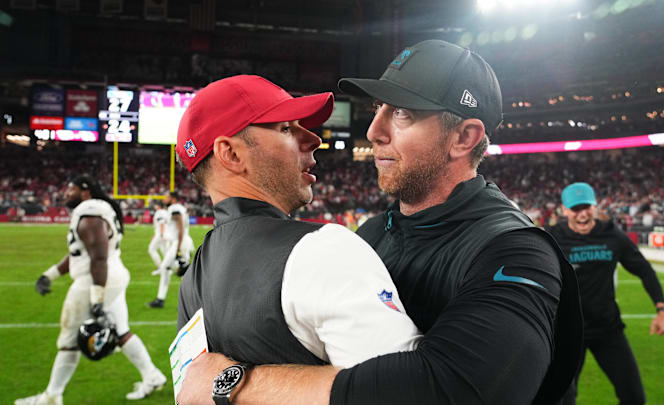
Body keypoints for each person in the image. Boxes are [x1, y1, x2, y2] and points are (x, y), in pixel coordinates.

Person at [178, 39, 583, 405]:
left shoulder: (516, 251)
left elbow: (460, 391)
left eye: (402, 113)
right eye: (379, 109)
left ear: (463, 138)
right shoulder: (372, 232)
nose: (374, 130)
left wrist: (238, 384)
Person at [174, 75, 423, 403]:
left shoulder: (192, 280)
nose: (313, 139)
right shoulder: (324, 248)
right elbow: (410, 394)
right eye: (287, 128)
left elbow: (191, 392)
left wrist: (231, 385)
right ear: (231, 154)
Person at [15, 176, 167, 405]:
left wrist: (97, 300)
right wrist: (50, 275)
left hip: (95, 280)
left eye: (71, 188)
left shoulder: (90, 214)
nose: (66, 193)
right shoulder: (96, 211)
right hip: (112, 276)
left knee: (68, 342)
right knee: (121, 332)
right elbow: (81, 254)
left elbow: (98, 258)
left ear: (85, 192)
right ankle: (153, 376)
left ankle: (52, 396)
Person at [546, 182, 664, 405]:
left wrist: (662, 309)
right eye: (575, 209)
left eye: (587, 207)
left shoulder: (612, 235)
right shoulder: (552, 238)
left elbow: (644, 270)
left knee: (634, 397)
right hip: (568, 333)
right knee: (563, 399)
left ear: (595, 207)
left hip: (608, 328)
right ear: (564, 211)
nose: (582, 214)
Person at [147, 191, 194, 308]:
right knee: (175, 270)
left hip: (180, 242)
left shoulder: (174, 208)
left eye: (167, 197)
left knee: (168, 269)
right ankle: (161, 299)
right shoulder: (179, 208)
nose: (164, 198)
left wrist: (178, 249)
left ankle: (161, 299)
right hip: (180, 241)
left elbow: (180, 228)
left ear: (173, 199)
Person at [148, 201, 170, 273]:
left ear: (159, 206)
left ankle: (160, 267)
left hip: (161, 234)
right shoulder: (166, 212)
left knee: (151, 249)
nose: (154, 206)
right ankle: (167, 268)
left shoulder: (159, 212)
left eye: (156, 205)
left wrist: (161, 234)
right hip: (166, 234)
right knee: (165, 252)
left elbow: (162, 223)